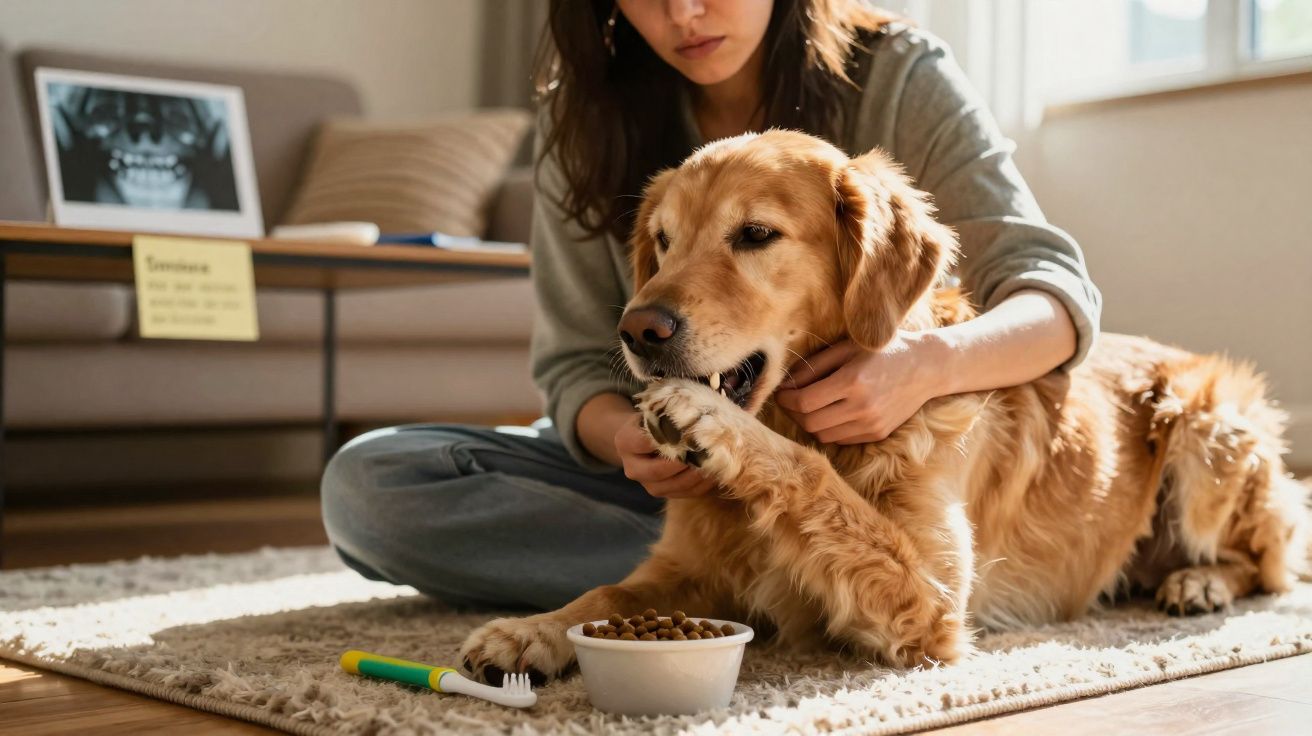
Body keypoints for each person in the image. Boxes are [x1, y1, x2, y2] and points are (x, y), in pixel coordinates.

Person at [321, 0, 1101, 612]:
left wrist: (922, 366)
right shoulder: (584, 115)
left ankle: (755, 582)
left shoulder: (899, 74)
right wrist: (628, 438)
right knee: (369, 486)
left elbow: (1054, 296)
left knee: (906, 553)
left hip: (869, 467)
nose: (683, 13)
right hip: (675, 485)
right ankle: (784, 582)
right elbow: (575, 366)